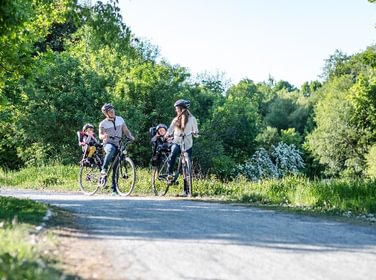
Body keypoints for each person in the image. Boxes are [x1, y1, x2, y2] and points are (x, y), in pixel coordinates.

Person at [99, 103, 135, 195]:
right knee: (111, 150)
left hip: (118, 143)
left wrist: (130, 136)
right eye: (110, 111)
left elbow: (125, 130)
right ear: (106, 113)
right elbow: (100, 135)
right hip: (108, 143)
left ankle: (114, 189)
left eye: (112, 110)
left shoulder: (120, 119)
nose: (112, 112)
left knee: (116, 166)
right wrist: (104, 136)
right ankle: (104, 169)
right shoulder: (103, 123)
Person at [165, 99, 199, 196]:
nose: (176, 110)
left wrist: (195, 133)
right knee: (174, 152)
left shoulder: (192, 119)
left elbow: (196, 132)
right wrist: (166, 135)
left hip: (187, 144)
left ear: (181, 109)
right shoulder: (176, 120)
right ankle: (170, 174)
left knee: (186, 167)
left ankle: (186, 191)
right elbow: (170, 130)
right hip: (177, 142)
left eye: (177, 109)